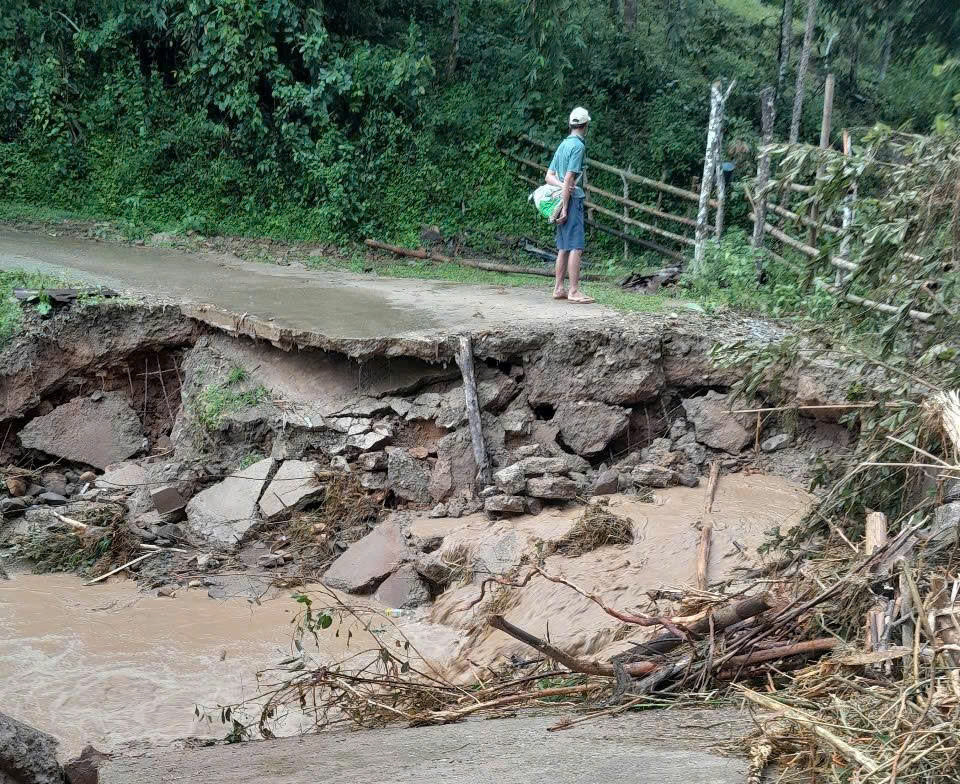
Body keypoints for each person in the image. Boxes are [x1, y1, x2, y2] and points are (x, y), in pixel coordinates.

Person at [545, 106, 594, 304]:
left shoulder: (563, 145)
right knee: (576, 246)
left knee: (563, 247)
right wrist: (565, 207)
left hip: (562, 198)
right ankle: (573, 290)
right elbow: (569, 178)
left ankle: (559, 288)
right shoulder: (578, 147)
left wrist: (563, 186)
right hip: (570, 201)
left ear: (571, 124)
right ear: (586, 125)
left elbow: (549, 177)